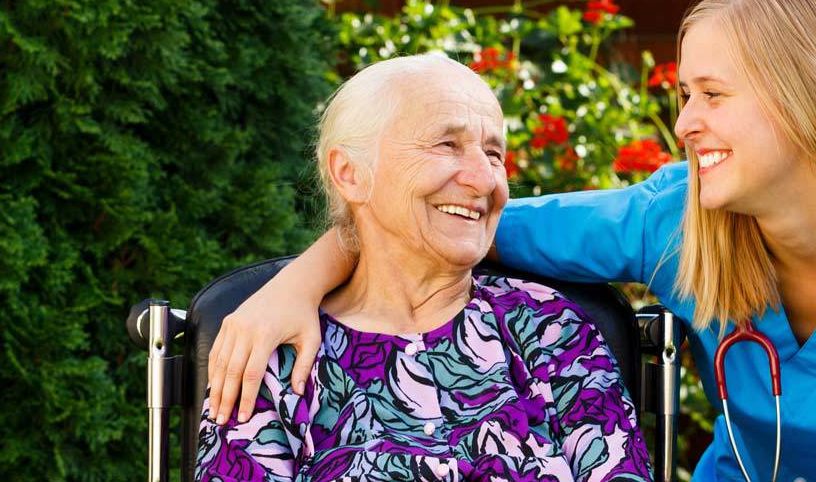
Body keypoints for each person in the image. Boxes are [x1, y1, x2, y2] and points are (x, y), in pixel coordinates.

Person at [206, 0, 816, 482]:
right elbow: (451, 220)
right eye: (683, 95)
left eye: (713, 95)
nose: (686, 122)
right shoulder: (675, 217)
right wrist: (298, 277)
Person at [195, 55, 652, 482]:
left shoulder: (548, 328)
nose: (484, 178)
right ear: (350, 173)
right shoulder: (275, 355)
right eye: (446, 145)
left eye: (494, 154)